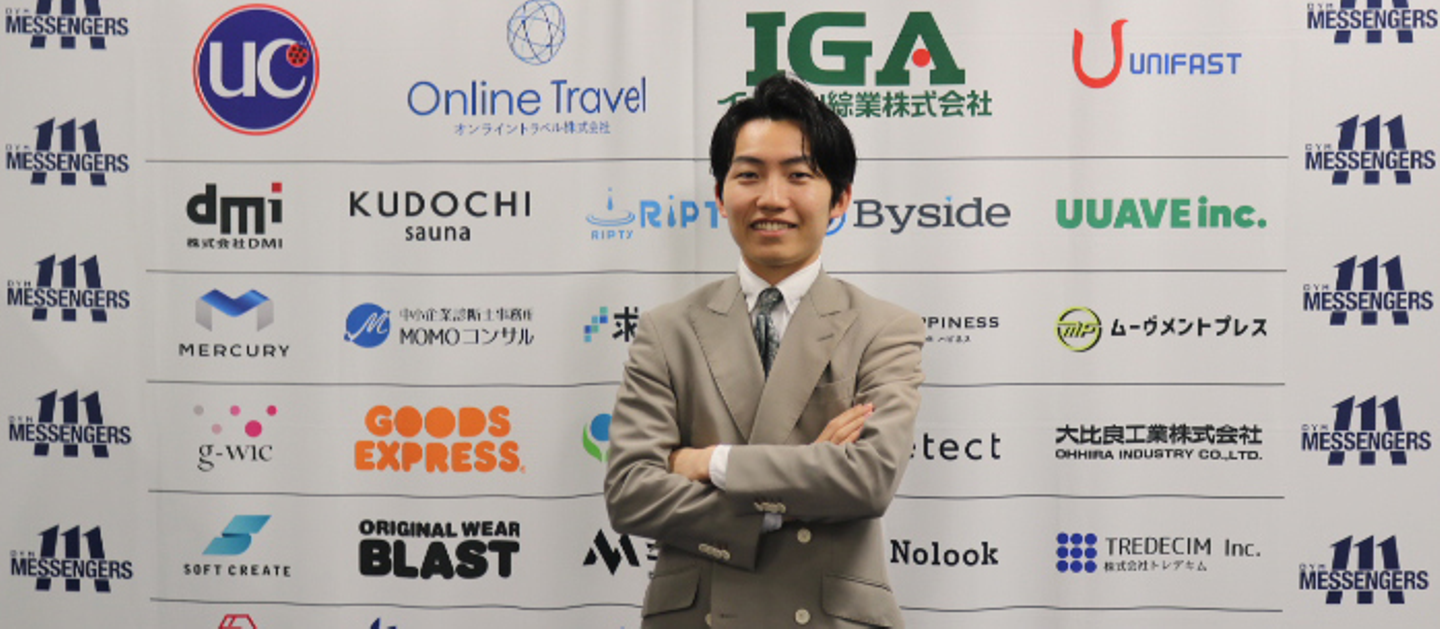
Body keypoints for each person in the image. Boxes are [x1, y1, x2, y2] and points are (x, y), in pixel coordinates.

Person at [604, 73, 924, 628]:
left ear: (840, 199)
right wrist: (791, 493)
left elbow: (867, 480)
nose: (772, 198)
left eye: (799, 175)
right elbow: (631, 492)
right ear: (720, 195)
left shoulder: (884, 328)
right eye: (749, 175)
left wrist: (710, 462)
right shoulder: (667, 330)